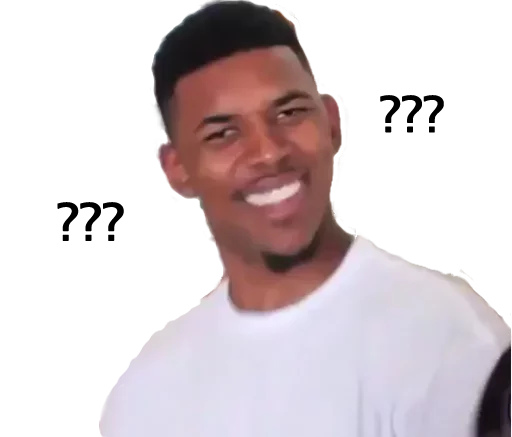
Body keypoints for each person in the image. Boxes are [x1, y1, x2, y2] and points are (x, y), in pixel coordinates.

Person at [106, 2, 511, 436]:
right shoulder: (146, 393)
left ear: (332, 122)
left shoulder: (445, 341)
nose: (269, 152)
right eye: (223, 134)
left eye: (290, 113)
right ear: (178, 169)